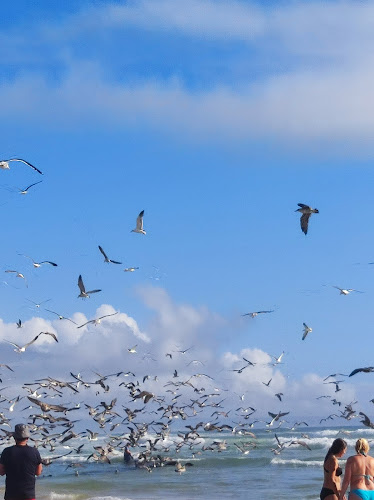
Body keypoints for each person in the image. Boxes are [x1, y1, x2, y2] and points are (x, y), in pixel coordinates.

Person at [0, 423, 42, 500]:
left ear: (14, 437)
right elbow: (38, 472)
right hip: (28, 494)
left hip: (11, 494)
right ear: (27, 438)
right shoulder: (34, 452)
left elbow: (1, 472)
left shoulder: (6, 452)